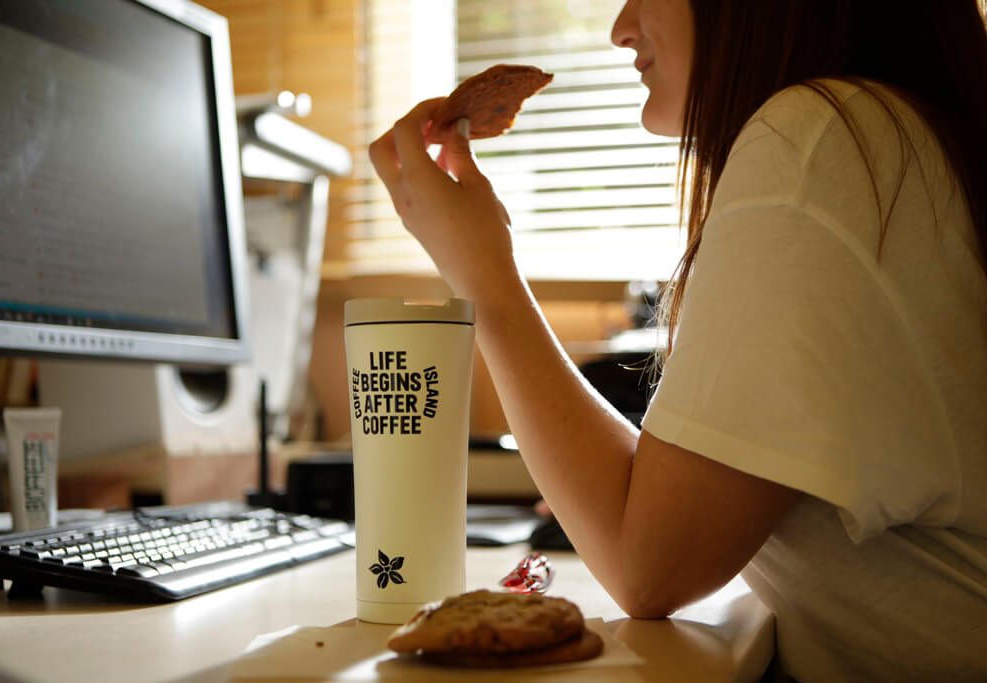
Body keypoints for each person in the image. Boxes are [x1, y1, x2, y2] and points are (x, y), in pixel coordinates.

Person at [368, 1, 987, 680]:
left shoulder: (822, 139)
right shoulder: (891, 135)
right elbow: (680, 508)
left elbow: (650, 565)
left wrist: (482, 275)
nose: (619, 27)